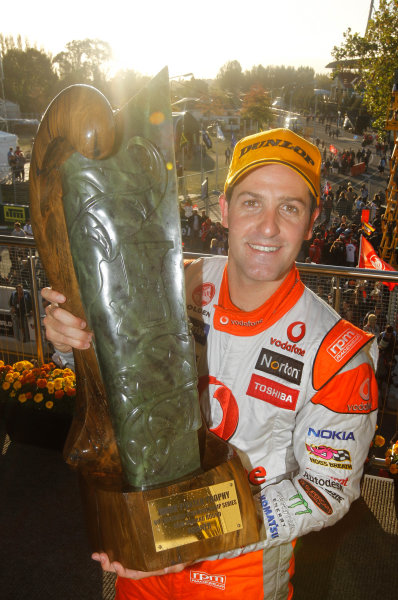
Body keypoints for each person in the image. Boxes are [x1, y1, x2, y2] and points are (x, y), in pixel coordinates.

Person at [42, 128, 378, 600]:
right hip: (144, 536)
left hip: (240, 568)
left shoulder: (339, 353)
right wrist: (69, 338)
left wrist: (199, 535)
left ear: (312, 221)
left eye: (290, 208)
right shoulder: (173, 285)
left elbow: (326, 491)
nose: (267, 227)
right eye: (251, 203)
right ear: (224, 209)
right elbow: (109, 376)